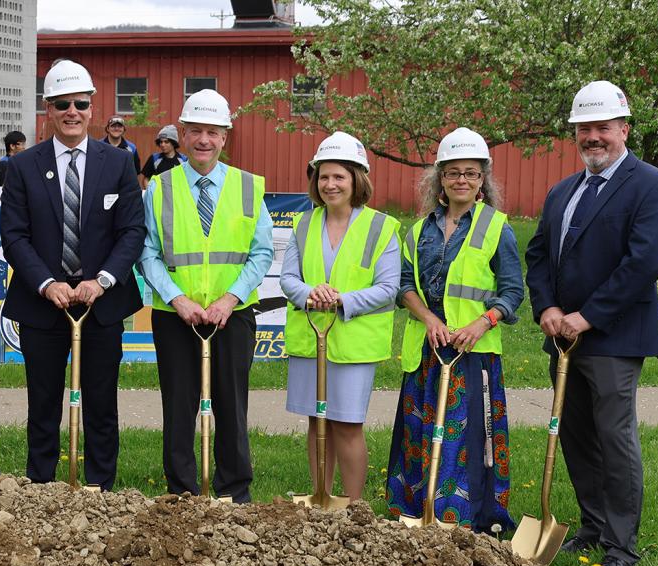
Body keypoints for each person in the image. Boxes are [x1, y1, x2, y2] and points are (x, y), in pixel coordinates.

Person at [525, 81, 658, 566]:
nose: (593, 137)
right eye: (584, 129)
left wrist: (586, 316)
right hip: (563, 339)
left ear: (623, 129)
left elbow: (644, 264)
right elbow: (539, 255)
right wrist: (547, 306)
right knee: (574, 436)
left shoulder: (653, 186)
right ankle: (593, 527)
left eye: (602, 128)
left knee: (614, 438)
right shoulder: (563, 190)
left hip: (614, 337)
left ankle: (620, 547)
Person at [1, 60, 145, 490]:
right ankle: (42, 491)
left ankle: (100, 490)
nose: (72, 111)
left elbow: (132, 231)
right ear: (48, 109)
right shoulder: (23, 166)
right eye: (62, 104)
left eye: (80, 103)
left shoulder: (118, 163)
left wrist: (101, 281)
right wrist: (48, 284)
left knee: (102, 404)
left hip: (101, 306)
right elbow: (14, 235)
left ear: (92, 107)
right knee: (42, 404)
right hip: (43, 306)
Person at [386, 127, 522, 533]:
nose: (462, 180)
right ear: (440, 178)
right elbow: (403, 286)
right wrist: (429, 320)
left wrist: (483, 323)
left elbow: (513, 292)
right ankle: (415, 510)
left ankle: (470, 519)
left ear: (483, 180)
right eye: (454, 172)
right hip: (428, 351)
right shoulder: (417, 230)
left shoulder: (498, 227)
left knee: (468, 442)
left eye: (472, 173)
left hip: (472, 353)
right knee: (419, 433)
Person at [139, 89, 273, 502]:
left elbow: (261, 252)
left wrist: (229, 300)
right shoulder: (159, 189)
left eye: (212, 132)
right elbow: (147, 252)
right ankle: (181, 493)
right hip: (176, 316)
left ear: (225, 137)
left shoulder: (248, 188)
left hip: (231, 316)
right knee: (179, 407)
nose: (203, 140)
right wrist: (178, 299)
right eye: (195, 130)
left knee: (232, 407)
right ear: (182, 133)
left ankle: (235, 492)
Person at [280, 132, 400, 502]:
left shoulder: (381, 228)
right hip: (310, 339)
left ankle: (353, 507)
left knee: (346, 425)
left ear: (357, 179)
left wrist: (341, 300)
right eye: (323, 176)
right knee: (316, 422)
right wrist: (310, 293)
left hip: (353, 343)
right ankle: (321, 498)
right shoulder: (303, 224)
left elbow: (388, 288)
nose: (330, 184)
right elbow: (287, 279)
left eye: (339, 177)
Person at [139, 124, 187, 189]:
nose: (162, 144)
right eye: (161, 142)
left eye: (166, 142)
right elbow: (146, 179)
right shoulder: (154, 158)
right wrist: (150, 192)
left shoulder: (183, 160)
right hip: (158, 197)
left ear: (173, 143)